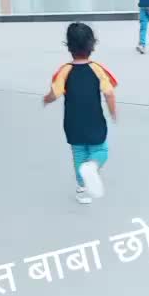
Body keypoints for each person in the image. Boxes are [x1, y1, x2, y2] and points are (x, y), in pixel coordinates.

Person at [43, 22, 117, 205]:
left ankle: (82, 189)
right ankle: (92, 166)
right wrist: (113, 112)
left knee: (78, 154)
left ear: (69, 46)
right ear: (92, 45)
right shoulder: (98, 69)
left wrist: (46, 99)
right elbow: (109, 93)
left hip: (72, 123)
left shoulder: (64, 71)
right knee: (101, 150)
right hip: (95, 121)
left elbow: (55, 93)